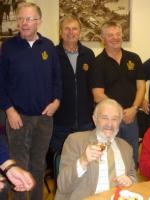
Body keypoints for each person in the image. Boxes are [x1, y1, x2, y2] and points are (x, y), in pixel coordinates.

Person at [0, 2, 61, 199]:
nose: (23, 23)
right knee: (18, 167)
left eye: (29, 19)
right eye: (20, 18)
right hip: (18, 118)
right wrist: (9, 110)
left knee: (38, 165)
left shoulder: (49, 46)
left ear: (39, 22)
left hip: (44, 119)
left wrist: (56, 102)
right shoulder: (8, 47)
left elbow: (57, 79)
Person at [55, 99, 136, 200]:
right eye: (105, 118)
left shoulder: (126, 147)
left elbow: (132, 175)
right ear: (95, 119)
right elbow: (63, 186)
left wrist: (130, 180)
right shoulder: (75, 141)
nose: (110, 124)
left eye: (115, 119)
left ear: (120, 122)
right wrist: (83, 160)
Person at [91, 21, 145, 165]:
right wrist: (120, 112)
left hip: (131, 118)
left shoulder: (134, 58)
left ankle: (131, 186)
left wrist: (134, 108)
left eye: (118, 34)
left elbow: (141, 87)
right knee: (108, 160)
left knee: (131, 158)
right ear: (103, 39)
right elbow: (98, 95)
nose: (115, 38)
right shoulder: (97, 63)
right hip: (108, 120)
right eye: (110, 35)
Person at [50, 15, 95, 153]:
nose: (71, 32)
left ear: (79, 31)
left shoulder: (88, 54)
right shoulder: (52, 54)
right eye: (67, 29)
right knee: (60, 161)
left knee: (86, 159)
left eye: (74, 29)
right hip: (60, 120)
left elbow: (93, 85)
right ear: (60, 32)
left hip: (85, 120)